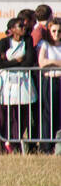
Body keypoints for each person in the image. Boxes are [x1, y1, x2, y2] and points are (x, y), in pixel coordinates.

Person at [0, 17, 38, 152]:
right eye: (20, 26)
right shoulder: (4, 42)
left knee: (21, 115)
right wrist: (16, 61)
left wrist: (10, 62)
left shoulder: (27, 41)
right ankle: (4, 143)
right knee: (5, 115)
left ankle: (16, 143)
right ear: (12, 30)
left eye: (24, 25)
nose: (23, 28)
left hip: (23, 83)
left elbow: (28, 62)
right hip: (7, 84)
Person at [35, 17, 61, 153]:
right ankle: (46, 145)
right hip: (49, 80)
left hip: (59, 80)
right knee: (47, 113)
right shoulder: (45, 44)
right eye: (54, 31)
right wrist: (56, 62)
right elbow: (42, 62)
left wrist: (51, 62)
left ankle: (57, 145)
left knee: (59, 113)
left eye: (59, 31)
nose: (56, 34)